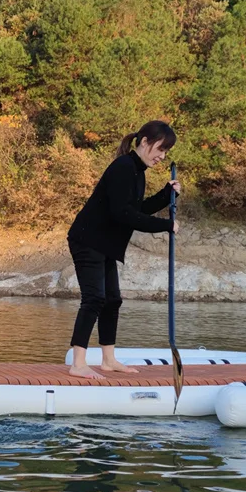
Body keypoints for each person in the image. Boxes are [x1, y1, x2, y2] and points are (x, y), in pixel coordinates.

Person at [66, 120, 180, 379]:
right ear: (144, 142)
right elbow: (123, 214)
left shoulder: (137, 172)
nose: (162, 156)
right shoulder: (123, 167)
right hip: (88, 239)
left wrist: (166, 195)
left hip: (105, 243)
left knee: (112, 300)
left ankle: (108, 360)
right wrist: (166, 225)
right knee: (94, 298)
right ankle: (78, 364)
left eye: (166, 153)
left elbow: (137, 209)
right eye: (160, 149)